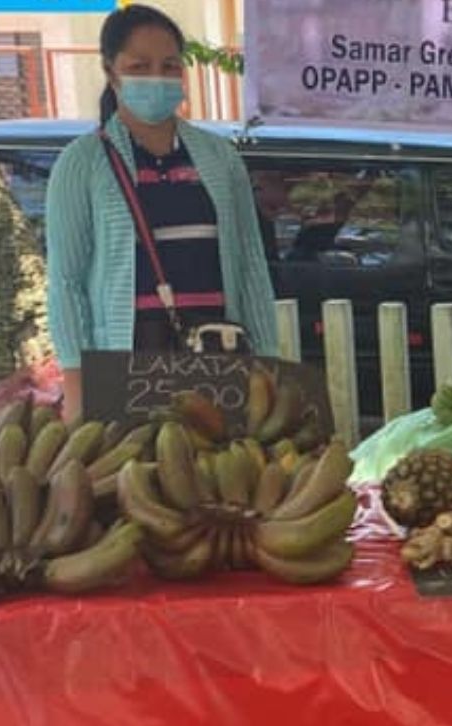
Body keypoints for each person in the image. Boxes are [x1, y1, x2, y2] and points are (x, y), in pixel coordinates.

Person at [46, 5, 279, 419]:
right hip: (128, 365)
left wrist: (267, 363)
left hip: (217, 359)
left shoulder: (219, 158)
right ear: (110, 71)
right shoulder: (81, 164)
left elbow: (251, 267)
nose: (157, 76)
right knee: (137, 478)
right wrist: (77, 380)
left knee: (216, 477)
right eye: (140, 65)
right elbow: (67, 282)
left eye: (170, 65)